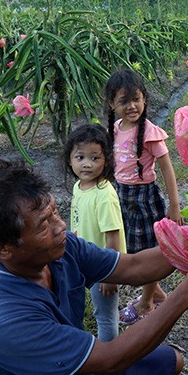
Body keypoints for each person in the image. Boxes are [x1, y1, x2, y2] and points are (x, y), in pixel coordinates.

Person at [0, 159, 188, 375]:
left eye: (55, 212)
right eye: (44, 224)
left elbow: (134, 266)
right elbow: (111, 358)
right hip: (85, 372)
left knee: (172, 361)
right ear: (3, 249)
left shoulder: (60, 250)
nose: (61, 226)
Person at [104, 69, 184, 325]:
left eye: (136, 99)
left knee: (147, 252)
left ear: (145, 99)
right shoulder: (115, 129)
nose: (132, 106)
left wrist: (174, 205)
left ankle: (146, 303)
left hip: (144, 199)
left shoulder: (149, 133)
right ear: (111, 104)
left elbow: (167, 168)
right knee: (133, 249)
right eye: (124, 101)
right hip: (122, 195)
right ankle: (157, 293)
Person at [64, 124, 125, 342]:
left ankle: (110, 359)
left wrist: (110, 274)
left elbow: (113, 236)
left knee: (106, 316)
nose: (86, 164)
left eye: (94, 158)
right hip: (84, 260)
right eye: (80, 157)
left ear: (106, 160)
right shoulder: (79, 186)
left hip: (102, 266)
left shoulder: (104, 195)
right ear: (69, 159)